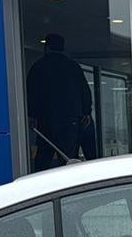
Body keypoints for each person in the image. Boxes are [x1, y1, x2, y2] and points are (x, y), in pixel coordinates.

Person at [26, 34, 92, 170]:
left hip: (46, 118)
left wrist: (31, 115)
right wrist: (86, 112)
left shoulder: (38, 67)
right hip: (70, 119)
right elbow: (84, 90)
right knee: (68, 158)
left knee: (44, 156)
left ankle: (40, 186)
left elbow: (31, 92)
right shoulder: (73, 67)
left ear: (47, 47)